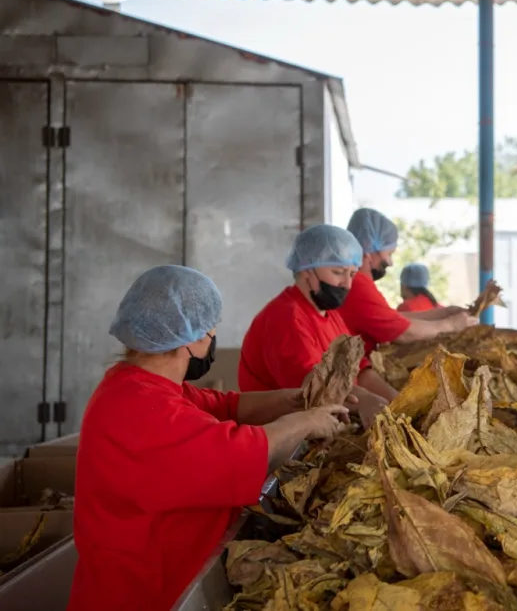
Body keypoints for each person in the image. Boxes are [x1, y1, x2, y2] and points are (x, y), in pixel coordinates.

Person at [69, 266, 349, 611]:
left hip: (158, 579)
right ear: (189, 336)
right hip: (140, 594)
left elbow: (226, 407)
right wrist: (306, 422)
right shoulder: (141, 410)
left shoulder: (140, 385)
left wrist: (293, 399)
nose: (214, 334)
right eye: (210, 326)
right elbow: (244, 454)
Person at [239, 224, 395, 426]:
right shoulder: (286, 318)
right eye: (338, 272)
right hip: (283, 437)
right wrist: (364, 400)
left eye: (352, 274)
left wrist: (396, 400)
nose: (347, 284)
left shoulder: (330, 314)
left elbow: (359, 370)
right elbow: (315, 387)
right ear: (307, 270)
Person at [337, 208, 477, 352]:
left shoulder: (359, 282)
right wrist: (450, 325)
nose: (390, 263)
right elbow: (403, 332)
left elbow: (393, 319)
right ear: (368, 246)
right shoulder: (358, 284)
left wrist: (444, 314)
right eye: (389, 253)